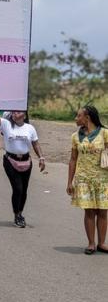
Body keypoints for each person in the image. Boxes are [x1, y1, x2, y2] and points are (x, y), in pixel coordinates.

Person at [0, 111, 45, 228]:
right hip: (10, 161)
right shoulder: (6, 124)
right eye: (13, 111)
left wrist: (41, 157)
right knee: (18, 188)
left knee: (24, 190)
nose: (15, 113)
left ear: (25, 115)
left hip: (26, 161)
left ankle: (20, 213)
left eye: (18, 111)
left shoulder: (30, 128)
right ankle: (17, 215)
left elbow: (36, 144)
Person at [67, 106, 108, 254]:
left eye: (78, 116)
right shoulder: (75, 137)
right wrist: (69, 182)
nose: (76, 119)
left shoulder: (105, 134)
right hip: (83, 179)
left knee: (103, 211)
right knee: (89, 212)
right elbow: (73, 160)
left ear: (87, 118)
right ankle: (91, 243)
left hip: (103, 180)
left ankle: (102, 243)